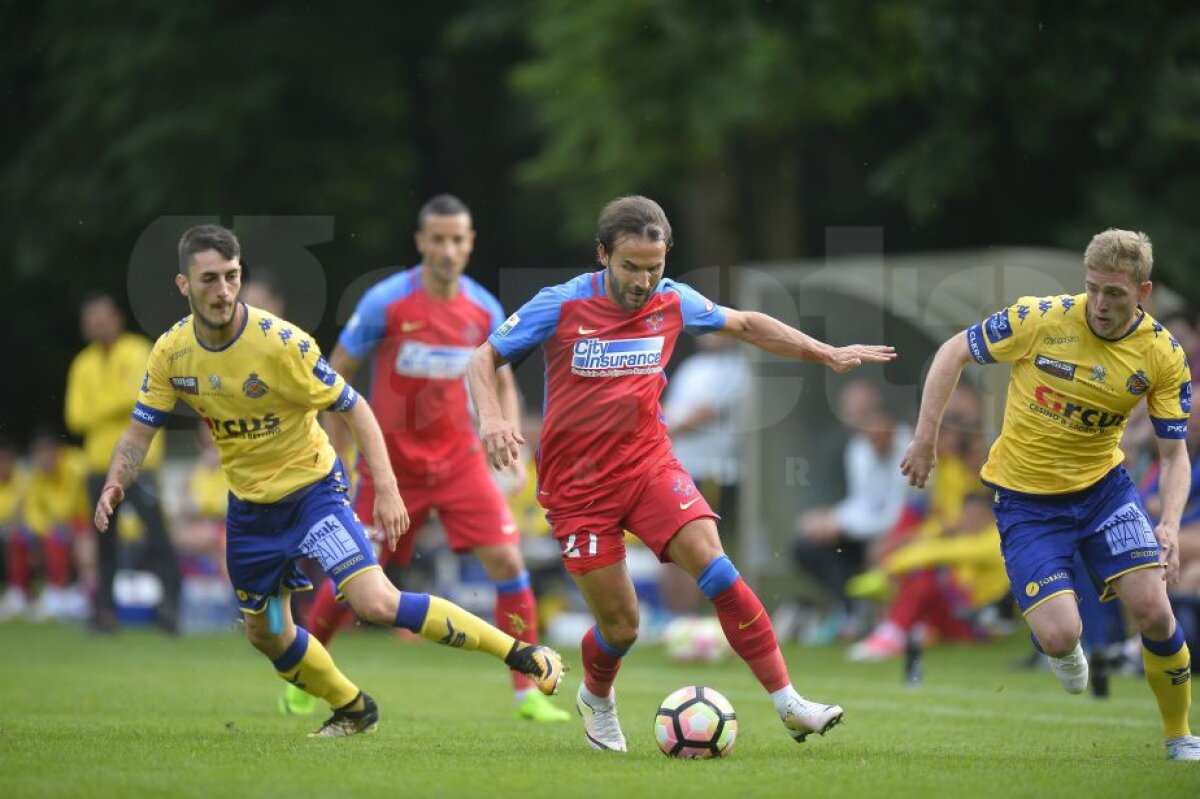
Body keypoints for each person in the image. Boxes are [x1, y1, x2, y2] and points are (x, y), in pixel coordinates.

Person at [94, 224, 564, 738]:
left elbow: (355, 406)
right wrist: (117, 479)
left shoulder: (281, 344)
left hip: (313, 494)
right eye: (210, 279)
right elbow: (138, 434)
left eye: (232, 276)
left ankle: (523, 654)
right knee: (266, 633)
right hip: (250, 510)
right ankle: (353, 707)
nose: (224, 290)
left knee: (375, 601)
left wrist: (385, 488)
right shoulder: (171, 353)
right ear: (184, 284)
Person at [466, 195, 895, 751]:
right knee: (622, 627)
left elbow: (747, 324)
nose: (644, 281)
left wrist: (826, 353)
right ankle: (597, 697)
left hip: (649, 467)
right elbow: (483, 358)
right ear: (602, 255)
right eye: (631, 267)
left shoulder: (674, 299)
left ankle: (789, 703)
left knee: (718, 571)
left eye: (655, 266)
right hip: (578, 490)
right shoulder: (561, 304)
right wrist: (493, 418)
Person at [900, 228, 1198, 761]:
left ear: (1143, 293)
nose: (1100, 304)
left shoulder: (1162, 354)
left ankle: (1180, 736)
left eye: (1115, 294)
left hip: (1105, 494)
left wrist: (1171, 524)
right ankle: (1059, 645)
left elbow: (1175, 456)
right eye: (1093, 289)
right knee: (1061, 635)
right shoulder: (1040, 318)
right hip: (1027, 503)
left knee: (1155, 610)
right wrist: (925, 439)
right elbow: (952, 351)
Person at [291, 194, 569, 722]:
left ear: (470, 243)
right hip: (390, 468)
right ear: (421, 242)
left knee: (509, 562)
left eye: (457, 239)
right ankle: (308, 676)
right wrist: (337, 449)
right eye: (438, 239)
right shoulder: (386, 302)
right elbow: (334, 372)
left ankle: (527, 691)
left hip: (460, 462)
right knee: (354, 577)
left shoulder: (483, 309)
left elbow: (502, 381)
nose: (447, 249)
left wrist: (509, 441)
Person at [66, 292, 182, 633]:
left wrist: (100, 407)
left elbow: (139, 399)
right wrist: (115, 404)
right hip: (98, 467)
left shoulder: (138, 350)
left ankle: (172, 609)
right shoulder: (82, 363)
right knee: (104, 542)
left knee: (157, 536)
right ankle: (105, 613)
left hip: (138, 465)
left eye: (103, 317)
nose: (98, 324)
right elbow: (74, 417)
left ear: (117, 318)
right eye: (91, 319)